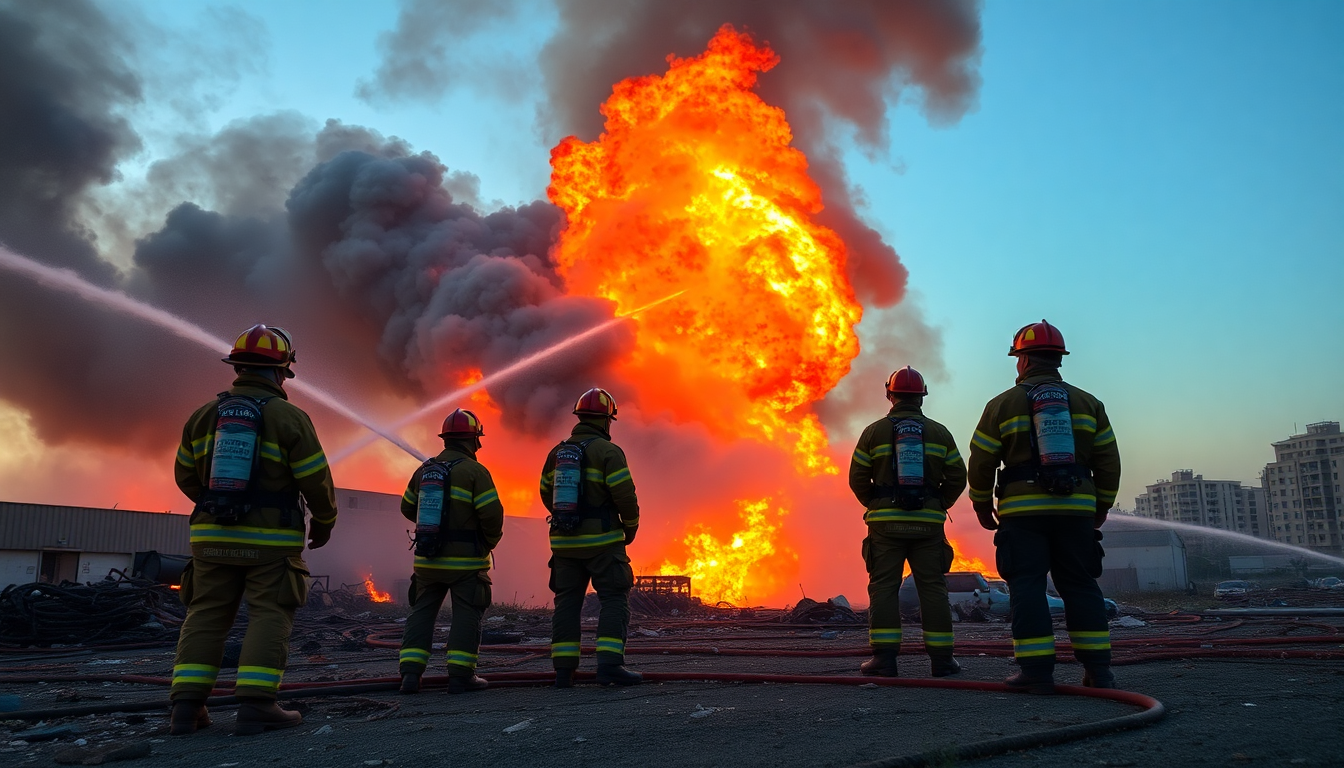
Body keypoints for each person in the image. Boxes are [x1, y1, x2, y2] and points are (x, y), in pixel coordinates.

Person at [170, 324, 337, 735]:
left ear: (238, 367)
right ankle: (258, 705)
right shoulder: (289, 417)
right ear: (282, 372)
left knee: (206, 614)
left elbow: (185, 476)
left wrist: (217, 506)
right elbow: (315, 480)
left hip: (210, 538)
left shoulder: (204, 415)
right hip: (270, 544)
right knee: (268, 613)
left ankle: (187, 710)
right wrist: (325, 521)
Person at [967, 320, 1121, 693]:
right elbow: (1108, 461)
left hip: (1023, 514)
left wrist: (981, 505)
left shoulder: (1001, 404)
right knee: (1082, 585)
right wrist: (1101, 505)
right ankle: (1099, 672)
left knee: (1028, 587)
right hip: (1076, 511)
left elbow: (982, 459)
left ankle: (1036, 672)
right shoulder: (1088, 403)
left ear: (1022, 360)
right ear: (1058, 360)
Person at [848, 366, 967, 678]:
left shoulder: (874, 432)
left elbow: (857, 477)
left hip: (885, 525)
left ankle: (884, 661)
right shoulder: (939, 433)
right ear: (922, 398)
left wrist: (876, 502)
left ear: (891, 395)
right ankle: (942, 662)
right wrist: (939, 503)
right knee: (933, 589)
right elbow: (957, 476)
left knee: (884, 588)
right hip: (927, 525)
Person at [397, 408, 504, 695]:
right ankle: (460, 675)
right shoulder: (475, 472)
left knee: (421, 612)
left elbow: (407, 507)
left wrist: (436, 526)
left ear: (445, 439)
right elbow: (492, 515)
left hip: (427, 560)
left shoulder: (425, 469)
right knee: (466, 612)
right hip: (466, 563)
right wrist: (487, 541)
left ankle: (409, 675)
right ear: (473, 440)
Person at [539, 387, 641, 687]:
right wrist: (630, 526)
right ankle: (609, 665)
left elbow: (547, 494)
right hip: (602, 543)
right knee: (613, 598)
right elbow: (625, 496)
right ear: (607, 420)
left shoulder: (557, 453)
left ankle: (563, 671)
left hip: (564, 542)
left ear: (579, 418)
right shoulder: (608, 452)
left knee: (567, 602)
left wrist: (570, 521)